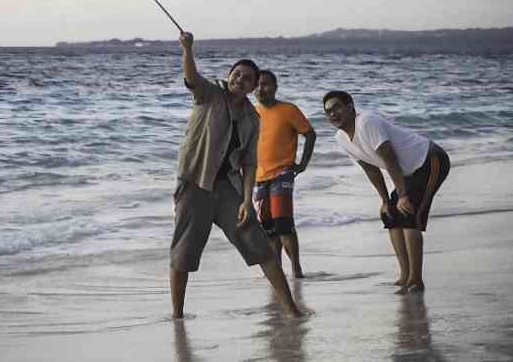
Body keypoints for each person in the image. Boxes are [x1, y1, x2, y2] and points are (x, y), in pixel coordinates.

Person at [169, 32, 302, 319]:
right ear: (229, 74)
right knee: (184, 252)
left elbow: (250, 163)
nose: (239, 80)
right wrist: (187, 49)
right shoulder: (209, 94)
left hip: (229, 188)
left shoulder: (253, 118)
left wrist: (246, 201)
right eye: (237, 74)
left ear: (254, 87)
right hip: (195, 184)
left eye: (247, 79)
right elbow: (191, 77)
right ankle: (177, 316)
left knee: (261, 247)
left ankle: (291, 309)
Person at [322, 90, 450, 294]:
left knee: (408, 214)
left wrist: (404, 196)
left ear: (350, 106)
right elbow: (370, 168)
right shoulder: (341, 138)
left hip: (430, 160)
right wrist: (385, 200)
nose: (332, 114)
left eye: (337, 107)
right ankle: (405, 275)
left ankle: (416, 280)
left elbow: (389, 158)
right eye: (327, 111)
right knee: (390, 216)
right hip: (406, 171)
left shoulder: (367, 122)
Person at [253, 70, 316, 278]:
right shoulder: (252, 112)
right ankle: (277, 271)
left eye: (266, 84)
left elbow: (310, 134)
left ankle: (296, 270)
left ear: (275, 87)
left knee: (283, 223)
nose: (261, 89)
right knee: (267, 227)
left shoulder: (288, 110)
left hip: (283, 172)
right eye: (257, 85)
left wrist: (303, 164)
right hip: (259, 177)